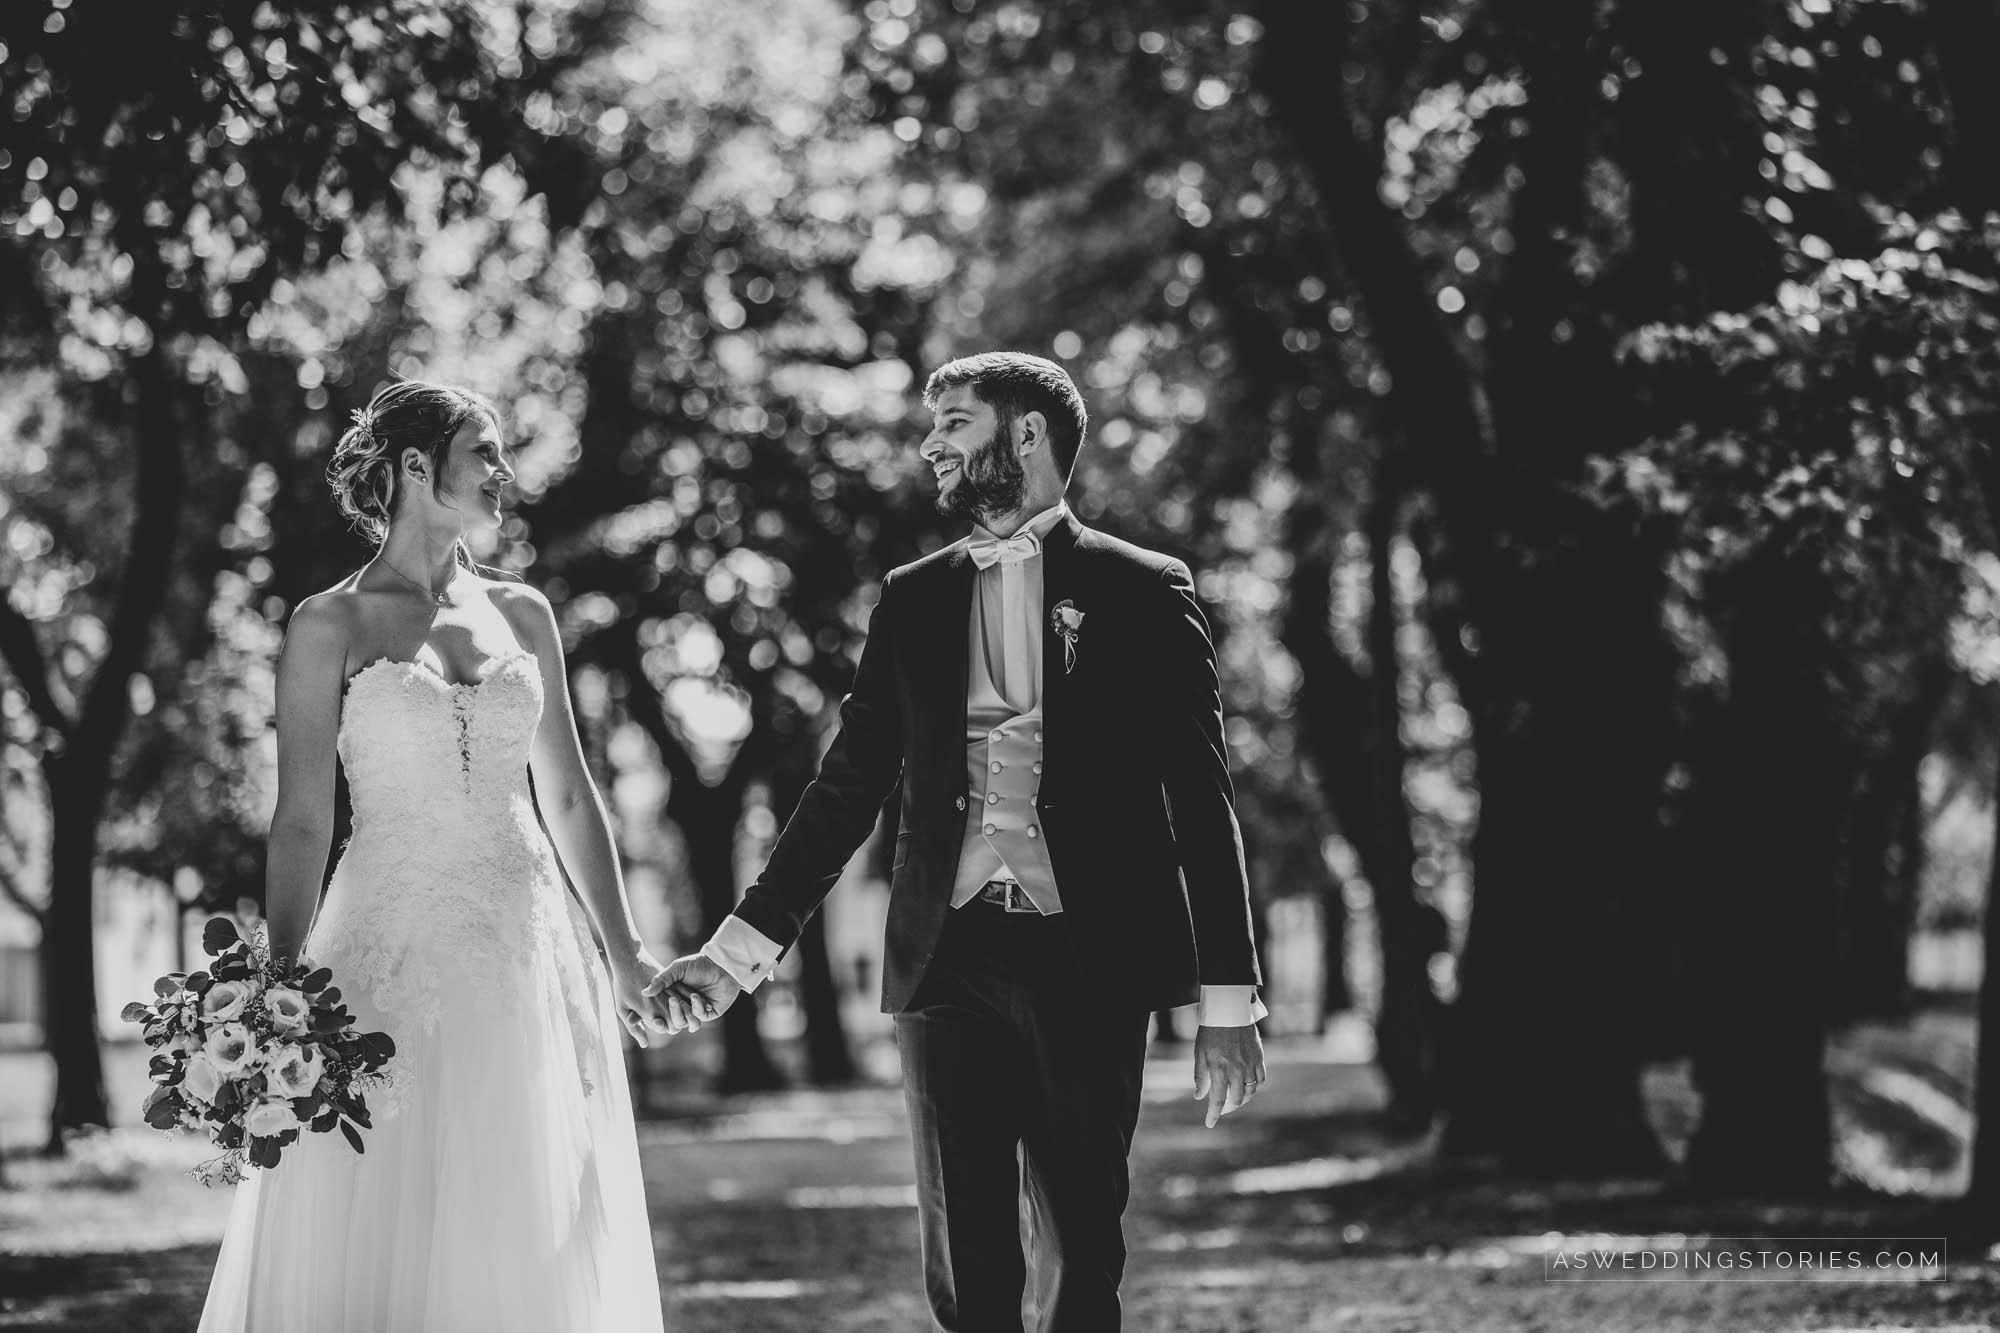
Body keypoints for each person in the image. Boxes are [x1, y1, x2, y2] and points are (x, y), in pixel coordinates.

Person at [652, 351, 1268, 1332]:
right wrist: (736, 953)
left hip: (1089, 955)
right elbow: (846, 788)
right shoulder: (912, 597)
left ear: (1024, 434)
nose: (930, 444)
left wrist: (1228, 998)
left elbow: (1200, 799)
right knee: (965, 1257)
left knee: (1080, 1245)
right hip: (947, 957)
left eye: (954, 422)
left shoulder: (1144, 589)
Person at [197, 380, 670, 1333]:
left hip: (524, 945)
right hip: (386, 944)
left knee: (522, 1193)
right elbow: (300, 819)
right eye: (484, 451)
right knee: (386, 1191)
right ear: (417, 465)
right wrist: (279, 987)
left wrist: (625, 955)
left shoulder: (524, 613)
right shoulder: (327, 624)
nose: (504, 473)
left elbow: (570, 797)